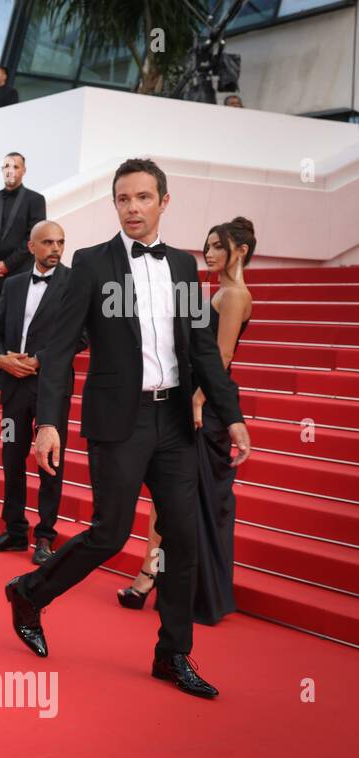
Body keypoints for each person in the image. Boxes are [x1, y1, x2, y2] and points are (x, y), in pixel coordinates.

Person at [5, 158, 252, 699]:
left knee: (183, 538)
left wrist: (231, 416)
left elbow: (205, 351)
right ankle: (29, 591)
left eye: (143, 197)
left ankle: (172, 654)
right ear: (115, 205)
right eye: (123, 199)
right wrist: (48, 423)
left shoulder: (185, 267)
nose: (133, 208)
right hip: (120, 420)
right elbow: (59, 350)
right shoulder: (92, 265)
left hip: (174, 422)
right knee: (111, 533)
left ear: (164, 201)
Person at [118, 217, 255, 625]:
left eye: (217, 247)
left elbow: (222, 359)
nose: (209, 254)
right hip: (191, 399)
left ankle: (149, 575)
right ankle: (149, 574)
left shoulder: (234, 296)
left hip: (204, 407)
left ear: (240, 251)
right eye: (207, 246)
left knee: (175, 498)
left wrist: (195, 403)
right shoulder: (216, 291)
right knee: (169, 498)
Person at [0, 220, 79, 565]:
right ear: (31, 246)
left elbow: (83, 335)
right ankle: (14, 530)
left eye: (60, 242)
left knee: (50, 463)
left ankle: (45, 537)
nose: (56, 249)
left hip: (51, 387)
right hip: (13, 388)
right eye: (48, 242)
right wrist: (1, 358)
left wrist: (39, 360)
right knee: (11, 457)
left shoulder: (74, 283)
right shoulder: (15, 284)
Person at [0, 152, 47, 390]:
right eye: (5, 165)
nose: (10, 170)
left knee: (16, 324)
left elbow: (33, 238)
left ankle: (16, 369)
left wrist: (7, 264)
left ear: (24, 171)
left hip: (18, 274)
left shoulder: (35, 200)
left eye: (15, 166)